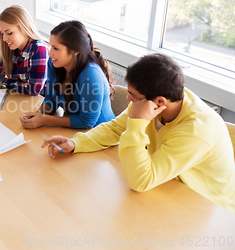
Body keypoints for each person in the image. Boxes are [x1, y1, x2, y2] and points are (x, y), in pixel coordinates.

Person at [42, 53, 235, 214]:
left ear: (159, 102)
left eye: (133, 96)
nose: (127, 98)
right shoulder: (161, 99)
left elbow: (141, 181)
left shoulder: (196, 131)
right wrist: (77, 143)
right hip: (168, 184)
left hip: (207, 207)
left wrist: (137, 124)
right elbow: (115, 128)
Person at [19, 20, 115, 129]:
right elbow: (51, 98)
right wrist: (38, 114)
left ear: (75, 50)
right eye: (51, 46)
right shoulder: (53, 63)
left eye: (56, 48)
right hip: (74, 131)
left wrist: (44, 119)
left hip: (100, 134)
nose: (49, 53)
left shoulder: (91, 75)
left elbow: (87, 122)